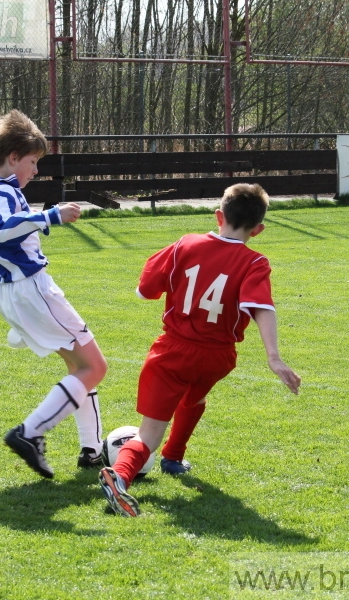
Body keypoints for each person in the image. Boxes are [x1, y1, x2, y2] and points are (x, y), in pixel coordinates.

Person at [98, 183, 301, 517]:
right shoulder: (255, 262)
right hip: (218, 356)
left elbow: (146, 289)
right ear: (258, 229)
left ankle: (119, 477)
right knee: (194, 397)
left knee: (148, 433)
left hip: (172, 351)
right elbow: (262, 307)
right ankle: (174, 458)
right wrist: (274, 357)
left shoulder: (186, 244)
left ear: (218, 216)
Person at [0, 109, 107, 479]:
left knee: (81, 369)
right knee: (95, 367)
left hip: (18, 291)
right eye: (31, 162)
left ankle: (92, 451)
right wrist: (51, 216)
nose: (35, 171)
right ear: (13, 158)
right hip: (30, 289)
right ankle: (29, 433)